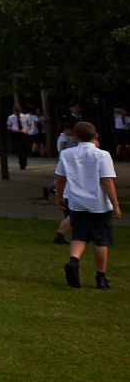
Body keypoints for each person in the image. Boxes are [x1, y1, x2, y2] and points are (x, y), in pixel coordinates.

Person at [56, 122, 118, 290]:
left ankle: (74, 260)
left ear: (75, 137)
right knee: (100, 239)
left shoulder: (66, 154)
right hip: (98, 203)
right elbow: (107, 180)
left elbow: (60, 178)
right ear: (96, 136)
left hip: (76, 202)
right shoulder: (102, 155)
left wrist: (59, 196)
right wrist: (115, 204)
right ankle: (101, 277)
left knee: (79, 236)